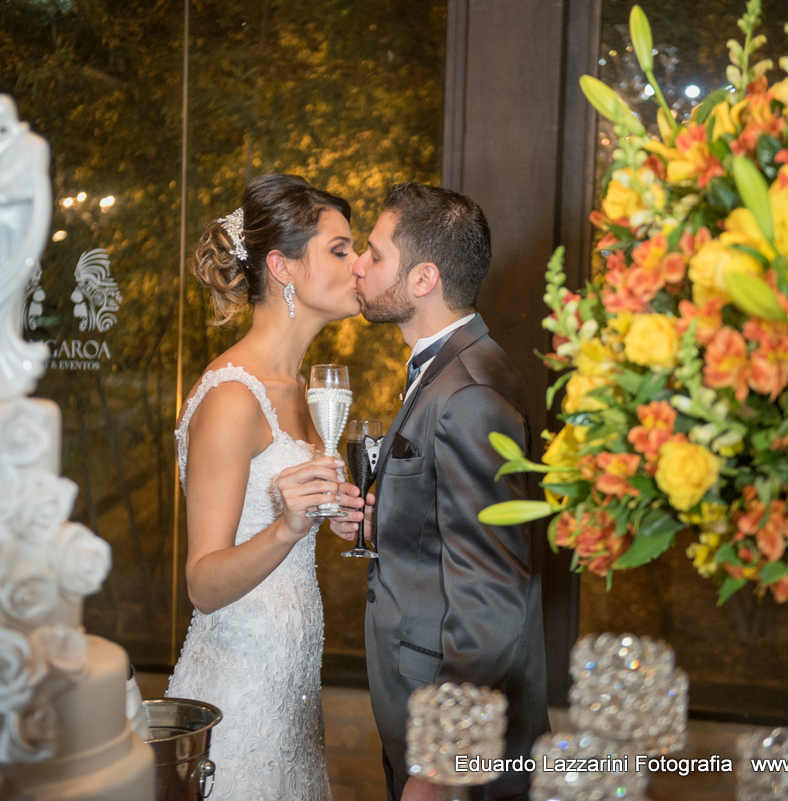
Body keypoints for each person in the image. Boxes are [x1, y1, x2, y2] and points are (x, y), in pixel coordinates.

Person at [331, 182, 550, 801]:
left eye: (374, 254)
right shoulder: (450, 367)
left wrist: (437, 760)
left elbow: (491, 595)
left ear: (423, 278)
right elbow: (454, 529)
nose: (360, 267)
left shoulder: (469, 393)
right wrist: (386, 523)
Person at [168, 173, 360, 800]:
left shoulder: (301, 391)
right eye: (339, 249)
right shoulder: (232, 396)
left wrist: (337, 514)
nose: (358, 263)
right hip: (240, 687)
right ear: (283, 266)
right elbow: (203, 583)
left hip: (294, 685)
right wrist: (287, 525)